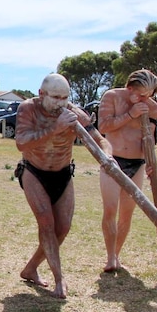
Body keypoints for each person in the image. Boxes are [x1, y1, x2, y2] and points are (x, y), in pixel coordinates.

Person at [15, 73, 111, 299]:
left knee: (63, 227)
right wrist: (55, 129)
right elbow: (21, 142)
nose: (60, 103)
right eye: (55, 97)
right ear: (41, 94)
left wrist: (108, 156)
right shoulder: (28, 109)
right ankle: (59, 278)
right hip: (33, 171)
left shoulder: (75, 113)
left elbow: (101, 140)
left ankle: (30, 269)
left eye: (65, 98)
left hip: (63, 173)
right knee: (46, 223)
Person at [97, 69, 157, 273]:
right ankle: (109, 257)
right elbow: (104, 126)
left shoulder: (152, 107)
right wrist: (130, 114)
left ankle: (116, 254)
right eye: (140, 94)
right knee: (110, 210)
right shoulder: (112, 97)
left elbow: (148, 138)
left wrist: (150, 161)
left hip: (137, 163)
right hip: (112, 161)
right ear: (129, 88)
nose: (144, 99)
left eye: (148, 95)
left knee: (127, 213)